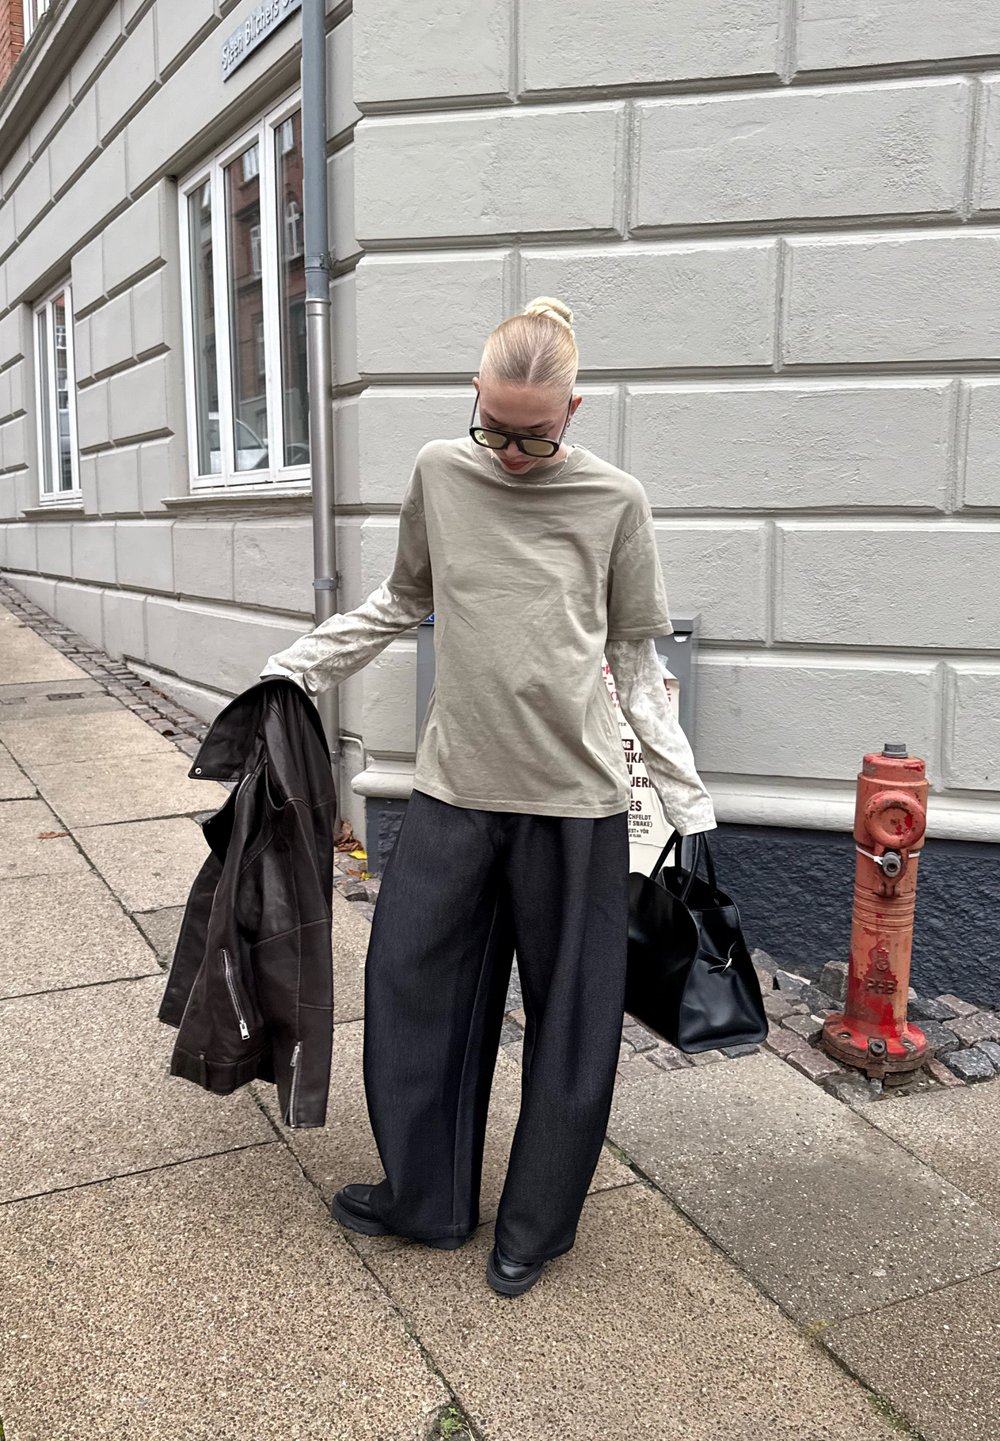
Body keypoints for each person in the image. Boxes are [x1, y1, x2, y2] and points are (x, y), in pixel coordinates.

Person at [259, 296, 716, 1297]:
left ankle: (534, 1225)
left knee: (572, 1022)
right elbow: (402, 598)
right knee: (411, 990)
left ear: (573, 411)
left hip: (575, 803)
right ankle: (425, 1198)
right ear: (474, 396)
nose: (511, 454)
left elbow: (635, 660)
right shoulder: (440, 471)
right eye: (495, 429)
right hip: (455, 788)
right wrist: (296, 665)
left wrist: (688, 805)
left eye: (535, 436)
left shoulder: (615, 500)